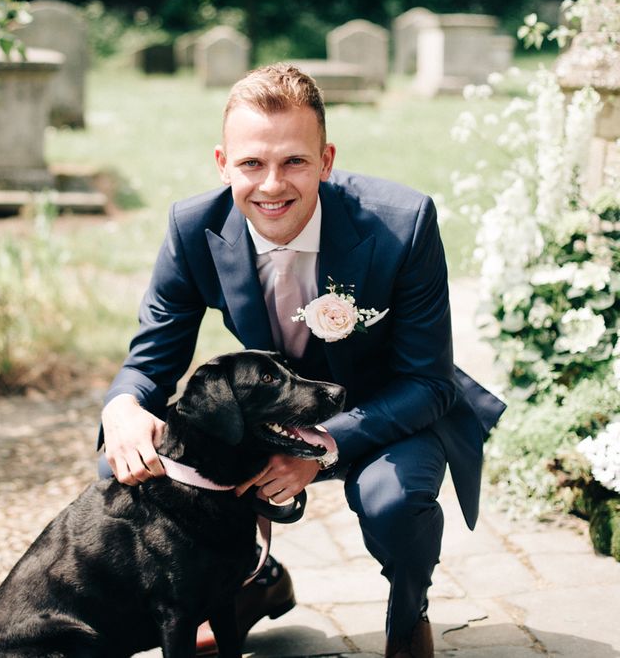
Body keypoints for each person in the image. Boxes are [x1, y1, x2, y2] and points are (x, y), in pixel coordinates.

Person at [98, 63, 505, 658]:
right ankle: (243, 582)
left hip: (385, 407)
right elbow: (152, 356)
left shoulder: (402, 223)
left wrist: (317, 451)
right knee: (124, 469)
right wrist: (123, 405)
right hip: (269, 408)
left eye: (294, 161)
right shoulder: (194, 228)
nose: (271, 185)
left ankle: (408, 613)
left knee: (395, 501)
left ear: (327, 160)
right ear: (222, 163)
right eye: (251, 164)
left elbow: (428, 382)